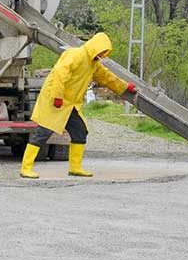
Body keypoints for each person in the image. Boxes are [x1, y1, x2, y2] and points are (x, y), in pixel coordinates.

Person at [20, 33, 136, 179]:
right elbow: (60, 74)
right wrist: (57, 96)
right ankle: (26, 168)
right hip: (56, 101)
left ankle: (75, 168)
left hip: (70, 105)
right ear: (95, 47)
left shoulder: (94, 64)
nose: (102, 55)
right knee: (42, 133)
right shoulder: (75, 54)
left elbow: (108, 78)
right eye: (101, 51)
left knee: (80, 131)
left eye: (104, 53)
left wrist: (125, 87)